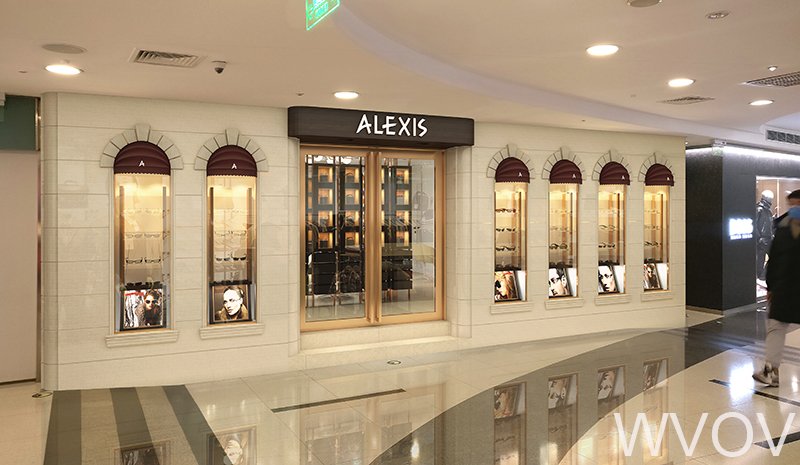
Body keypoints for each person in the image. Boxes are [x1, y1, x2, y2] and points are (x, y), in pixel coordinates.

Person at [753, 190, 800, 387]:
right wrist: (771, 285)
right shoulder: (782, 227)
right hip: (784, 288)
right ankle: (771, 370)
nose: (794, 209)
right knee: (775, 328)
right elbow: (774, 259)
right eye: (792, 205)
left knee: (776, 328)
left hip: (790, 287)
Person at [755, 190, 775, 280]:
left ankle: (762, 274)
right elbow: (753, 225)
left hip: (768, 238)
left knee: (770, 257)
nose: (771, 200)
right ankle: (760, 275)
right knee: (760, 259)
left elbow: (768, 224)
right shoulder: (759, 209)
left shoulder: (767, 210)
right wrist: (759, 238)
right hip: (762, 239)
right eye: (770, 199)